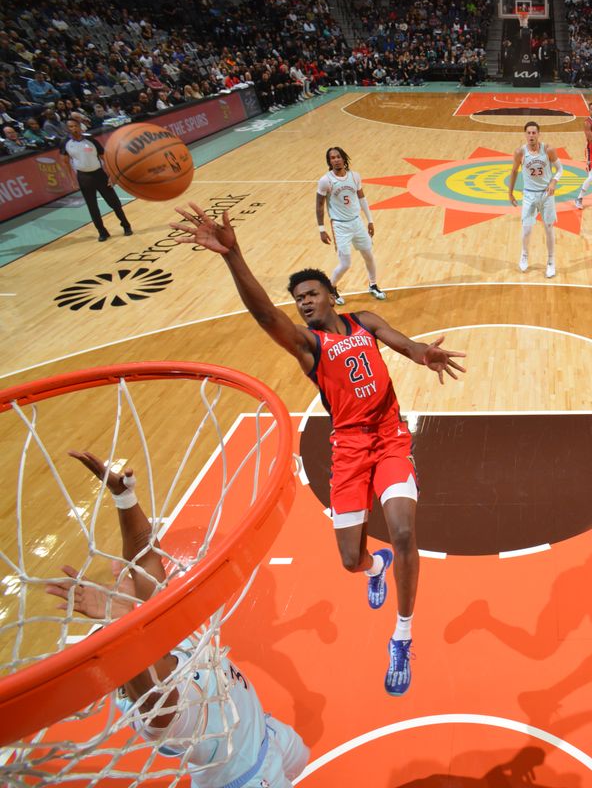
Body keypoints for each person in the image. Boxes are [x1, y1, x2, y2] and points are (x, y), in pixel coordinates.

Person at [169, 202, 466, 696]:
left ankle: (402, 635)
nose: (304, 302)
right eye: (299, 298)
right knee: (351, 559)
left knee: (404, 532)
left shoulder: (363, 321)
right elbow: (265, 314)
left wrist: (423, 353)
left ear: (332, 294)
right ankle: (375, 568)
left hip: (390, 438)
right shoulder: (308, 347)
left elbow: (403, 343)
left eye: (311, 293)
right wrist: (232, 256)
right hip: (348, 451)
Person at [46, 450, 309, 787]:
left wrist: (124, 498)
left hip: (267, 735)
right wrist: (120, 616)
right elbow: (142, 668)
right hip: (250, 780)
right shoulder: (163, 714)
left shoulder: (162, 633)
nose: (119, 577)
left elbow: (144, 550)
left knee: (301, 757)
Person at [316, 147, 386, 305]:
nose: (335, 160)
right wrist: (321, 229)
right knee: (345, 263)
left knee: (369, 255)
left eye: (338, 157)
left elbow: (362, 198)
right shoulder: (325, 181)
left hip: (357, 222)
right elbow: (319, 205)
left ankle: (373, 285)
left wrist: (370, 220)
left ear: (344, 158)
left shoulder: (354, 177)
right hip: (340, 226)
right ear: (329, 161)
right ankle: (331, 287)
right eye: (332, 158)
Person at [59, 119, 132, 241]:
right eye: (70, 127)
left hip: (99, 175)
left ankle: (126, 226)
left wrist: (111, 175)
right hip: (83, 177)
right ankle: (102, 232)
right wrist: (72, 180)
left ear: (80, 127)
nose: (73, 129)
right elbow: (65, 162)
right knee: (92, 207)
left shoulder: (91, 140)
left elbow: (105, 157)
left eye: (75, 126)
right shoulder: (65, 143)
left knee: (114, 203)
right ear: (67, 129)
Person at [508, 121, 563, 277]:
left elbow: (560, 169)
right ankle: (524, 254)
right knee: (526, 229)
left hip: (546, 195)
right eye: (529, 133)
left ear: (539, 134)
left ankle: (551, 262)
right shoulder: (520, 152)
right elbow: (513, 171)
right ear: (525, 135)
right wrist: (510, 192)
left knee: (549, 228)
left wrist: (553, 181)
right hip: (529, 194)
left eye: (534, 132)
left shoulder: (548, 150)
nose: (531, 135)